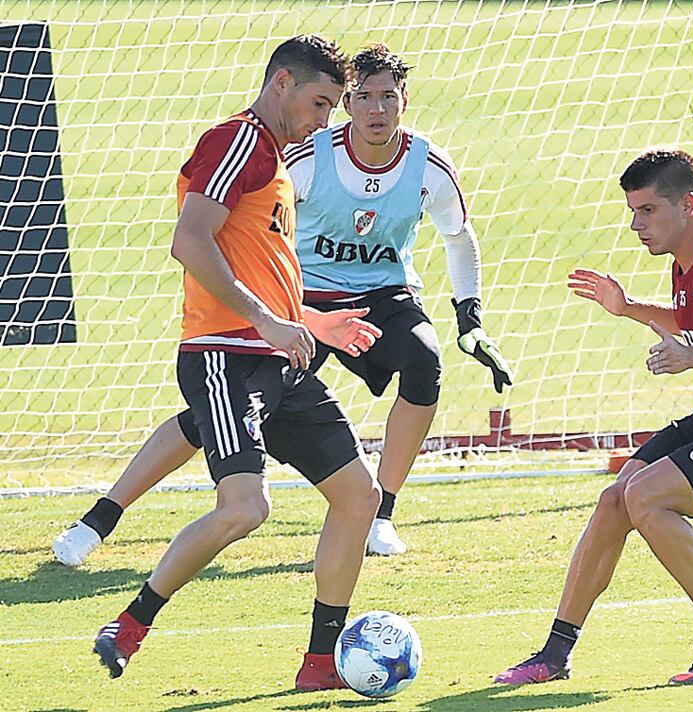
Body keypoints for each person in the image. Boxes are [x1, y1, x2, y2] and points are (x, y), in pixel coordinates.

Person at [52, 42, 511, 564]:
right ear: (318, 95)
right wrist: (279, 317)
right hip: (286, 309)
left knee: (421, 368)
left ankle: (379, 517)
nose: (374, 110)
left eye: (388, 97)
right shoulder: (286, 154)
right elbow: (214, 239)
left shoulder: (426, 164)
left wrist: (468, 318)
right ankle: (103, 524)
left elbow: (459, 237)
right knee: (220, 431)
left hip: (368, 302)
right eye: (356, 98)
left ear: (405, 99)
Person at [91, 35, 385, 692]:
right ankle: (128, 627)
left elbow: (259, 272)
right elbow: (189, 241)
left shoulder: (274, 161)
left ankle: (319, 665)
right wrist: (267, 320)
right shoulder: (237, 142)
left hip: (277, 361)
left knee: (359, 495)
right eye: (319, 103)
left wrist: (309, 322)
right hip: (227, 359)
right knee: (245, 508)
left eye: (331, 108)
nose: (323, 121)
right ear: (281, 81)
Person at [494, 149, 693, 686]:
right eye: (633, 211)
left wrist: (691, 358)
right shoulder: (688, 261)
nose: (636, 224)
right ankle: (554, 654)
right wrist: (628, 309)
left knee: (646, 497)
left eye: (647, 210)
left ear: (688, 204)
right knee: (616, 497)